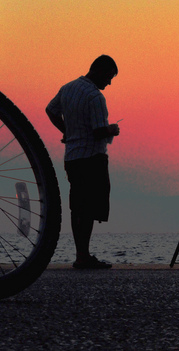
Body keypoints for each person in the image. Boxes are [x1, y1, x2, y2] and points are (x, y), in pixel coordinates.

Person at [46, 55, 121, 269]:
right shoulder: (95, 97)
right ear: (99, 71)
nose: (109, 82)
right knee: (88, 208)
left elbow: (50, 110)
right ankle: (83, 256)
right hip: (92, 158)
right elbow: (98, 131)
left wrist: (67, 131)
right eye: (109, 77)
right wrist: (112, 129)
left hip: (72, 157)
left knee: (76, 207)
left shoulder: (68, 88)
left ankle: (80, 254)